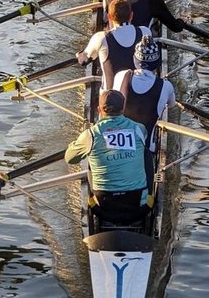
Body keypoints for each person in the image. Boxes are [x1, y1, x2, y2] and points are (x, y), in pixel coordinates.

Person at [64, 89, 150, 225]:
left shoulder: (90, 135)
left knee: (90, 159)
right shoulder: (140, 129)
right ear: (123, 108)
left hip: (103, 209)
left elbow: (69, 159)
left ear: (99, 109)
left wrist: (76, 144)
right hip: (139, 207)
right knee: (146, 154)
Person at [113, 35, 175, 190]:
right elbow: (172, 105)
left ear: (135, 60)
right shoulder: (166, 86)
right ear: (156, 64)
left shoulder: (121, 76)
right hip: (146, 151)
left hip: (118, 149)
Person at [76, 0, 152, 90]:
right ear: (131, 15)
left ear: (109, 17)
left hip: (111, 99)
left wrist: (79, 55)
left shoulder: (101, 38)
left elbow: (83, 60)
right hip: (139, 94)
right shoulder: (145, 32)